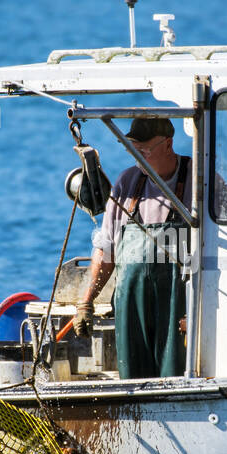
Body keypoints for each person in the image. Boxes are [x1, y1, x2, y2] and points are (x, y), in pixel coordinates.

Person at [73, 117, 191, 379]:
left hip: (177, 310)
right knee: (132, 382)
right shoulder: (128, 182)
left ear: (168, 144)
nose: (138, 158)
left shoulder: (201, 181)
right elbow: (106, 250)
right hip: (131, 310)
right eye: (132, 150)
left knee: (174, 378)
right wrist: (86, 303)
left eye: (144, 150)